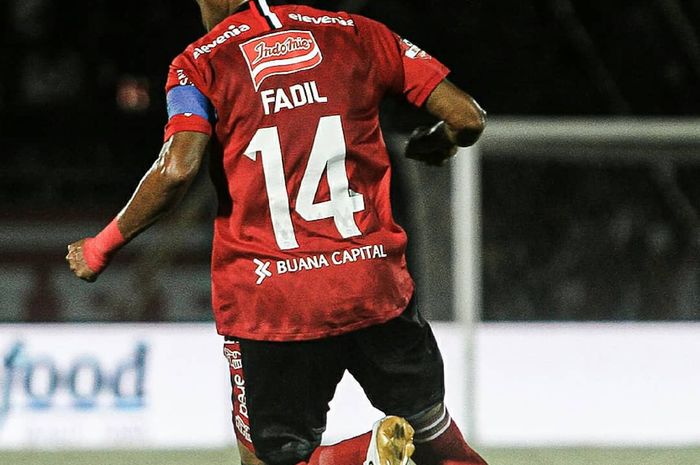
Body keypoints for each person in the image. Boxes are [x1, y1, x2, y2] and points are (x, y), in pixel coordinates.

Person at [66, 1, 488, 465]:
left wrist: (100, 246)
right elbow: (467, 117)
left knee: (271, 461)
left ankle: (364, 454)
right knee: (438, 443)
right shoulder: (357, 33)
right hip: (373, 287)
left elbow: (176, 169)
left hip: (273, 300)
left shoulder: (200, 65)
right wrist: (443, 141)